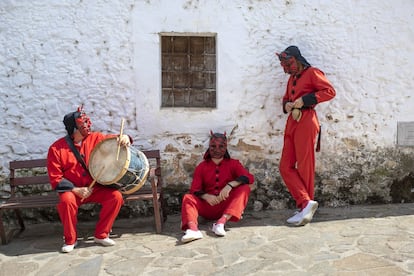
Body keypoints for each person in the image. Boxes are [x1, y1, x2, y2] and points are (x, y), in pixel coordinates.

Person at [47, 105, 131, 253]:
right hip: (74, 191)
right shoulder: (56, 149)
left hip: (95, 188)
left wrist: (124, 138)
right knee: (66, 201)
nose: (87, 125)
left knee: (116, 197)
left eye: (87, 122)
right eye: (82, 124)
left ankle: (101, 234)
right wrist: (75, 190)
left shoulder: (96, 138)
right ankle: (70, 240)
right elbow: (55, 178)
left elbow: (113, 140)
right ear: (73, 128)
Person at [276, 45, 336, 226]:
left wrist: (306, 100)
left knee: (305, 165)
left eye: (289, 62)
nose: (287, 66)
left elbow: (329, 92)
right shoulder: (291, 79)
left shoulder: (312, 72)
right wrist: (286, 104)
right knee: (285, 166)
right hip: (292, 122)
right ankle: (306, 203)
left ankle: (305, 207)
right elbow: (286, 97)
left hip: (307, 120)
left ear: (297, 59)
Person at [180, 131, 255, 243]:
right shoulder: (202, 167)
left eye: (221, 146)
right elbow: (194, 189)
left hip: (226, 206)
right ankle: (193, 230)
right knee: (188, 198)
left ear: (225, 147)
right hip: (207, 206)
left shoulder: (233, 164)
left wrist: (230, 185)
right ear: (209, 147)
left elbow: (249, 177)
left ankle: (221, 223)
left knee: (244, 189)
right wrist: (206, 196)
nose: (217, 149)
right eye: (213, 146)